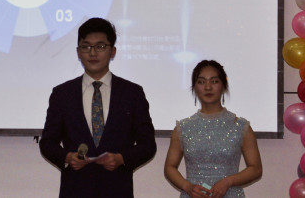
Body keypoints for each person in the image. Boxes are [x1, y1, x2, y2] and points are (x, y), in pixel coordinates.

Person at [39, 17, 157, 198]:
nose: (92, 52)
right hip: (75, 190)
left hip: (117, 190)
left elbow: (147, 144)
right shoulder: (62, 94)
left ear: (113, 51)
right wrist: (68, 157)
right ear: (78, 52)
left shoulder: (132, 93)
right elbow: (47, 142)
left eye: (100, 46)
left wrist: (121, 159)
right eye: (86, 47)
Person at [164, 60, 262, 198]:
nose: (208, 87)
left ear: (224, 85)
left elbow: (256, 169)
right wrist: (188, 187)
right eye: (201, 82)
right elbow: (169, 167)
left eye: (214, 81)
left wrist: (228, 181)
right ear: (194, 87)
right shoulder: (183, 128)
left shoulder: (240, 126)